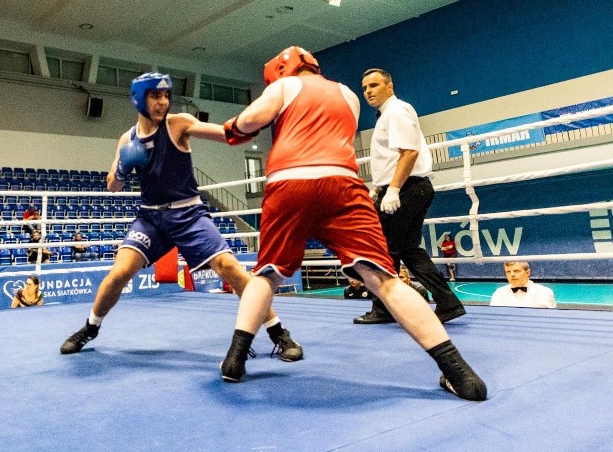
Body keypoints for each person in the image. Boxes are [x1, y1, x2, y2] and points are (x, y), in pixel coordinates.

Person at [218, 47, 486, 401]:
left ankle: (235, 360)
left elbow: (251, 121)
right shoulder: (347, 95)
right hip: (343, 183)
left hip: (290, 181)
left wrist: (232, 130)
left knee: (267, 274)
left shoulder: (283, 88)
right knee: (385, 280)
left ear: (281, 71)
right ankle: (460, 373)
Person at [60, 72, 303, 363]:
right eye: (155, 96)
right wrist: (123, 168)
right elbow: (113, 185)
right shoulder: (128, 138)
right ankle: (90, 328)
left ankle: (279, 333)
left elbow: (226, 134)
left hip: (189, 213)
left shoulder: (179, 124)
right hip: (151, 219)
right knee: (120, 272)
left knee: (228, 266)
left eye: (166, 95)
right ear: (139, 99)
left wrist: (256, 121)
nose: (163, 102)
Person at [353, 68, 465, 325]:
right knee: (408, 249)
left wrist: (392, 189)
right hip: (408, 188)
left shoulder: (396, 111)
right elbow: (393, 158)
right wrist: (380, 188)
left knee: (382, 248)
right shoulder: (387, 115)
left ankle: (383, 309)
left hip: (406, 188)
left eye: (374, 85)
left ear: (389, 86)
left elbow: (409, 153)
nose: (368, 91)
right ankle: (447, 302)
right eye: (365, 88)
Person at [489, 261, 557, 309]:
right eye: (508, 272)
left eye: (516, 271)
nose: (512, 275)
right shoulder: (499, 292)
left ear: (527, 272)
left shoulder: (544, 292)